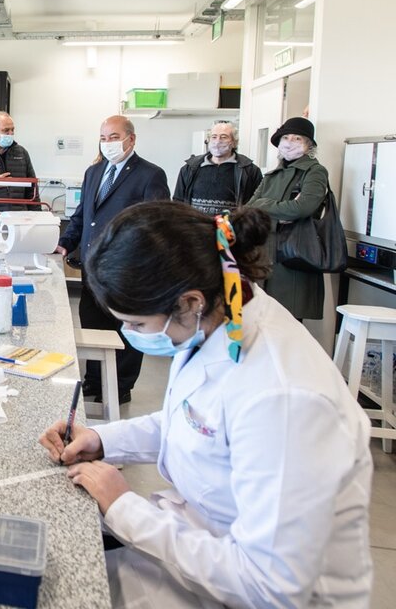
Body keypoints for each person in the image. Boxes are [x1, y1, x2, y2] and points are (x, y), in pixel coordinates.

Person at [40, 201, 372, 608]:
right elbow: (195, 418)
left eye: (137, 323)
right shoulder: (219, 316)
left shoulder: (283, 400)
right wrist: (102, 439)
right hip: (201, 542)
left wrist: (125, 508)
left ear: (189, 302)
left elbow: (270, 586)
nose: (130, 333)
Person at [55, 115, 169, 403]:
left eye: (114, 137)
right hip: (92, 265)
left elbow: (156, 223)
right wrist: (65, 243)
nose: (108, 143)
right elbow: (83, 215)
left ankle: (120, 385)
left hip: (127, 267)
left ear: (131, 139)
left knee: (126, 325)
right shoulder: (94, 172)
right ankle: (95, 380)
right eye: (103, 138)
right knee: (93, 321)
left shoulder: (150, 175)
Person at [247, 117, 329, 320]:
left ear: (308, 145)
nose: (289, 143)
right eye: (285, 138)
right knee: (262, 321)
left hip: (293, 255)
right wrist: (279, 211)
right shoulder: (271, 175)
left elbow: (303, 208)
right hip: (264, 254)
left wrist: (264, 205)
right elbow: (248, 208)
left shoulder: (315, 172)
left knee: (288, 322)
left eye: (297, 138)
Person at [173, 121, 262, 214]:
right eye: (214, 137)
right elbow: (178, 202)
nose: (218, 141)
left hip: (233, 223)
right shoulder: (189, 168)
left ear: (234, 142)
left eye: (224, 137)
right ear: (208, 140)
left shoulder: (249, 170)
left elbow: (257, 206)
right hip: (195, 223)